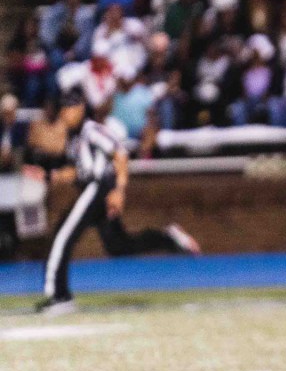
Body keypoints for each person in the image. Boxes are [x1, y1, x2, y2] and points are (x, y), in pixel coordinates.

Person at [36, 92, 201, 315]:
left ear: (81, 108)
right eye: (63, 108)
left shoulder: (92, 130)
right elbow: (78, 172)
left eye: (70, 108)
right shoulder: (74, 138)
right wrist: (51, 176)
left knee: (62, 234)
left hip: (100, 187)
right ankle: (169, 239)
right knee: (119, 245)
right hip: (91, 188)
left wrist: (119, 189)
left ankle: (59, 295)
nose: (65, 113)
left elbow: (120, 153)